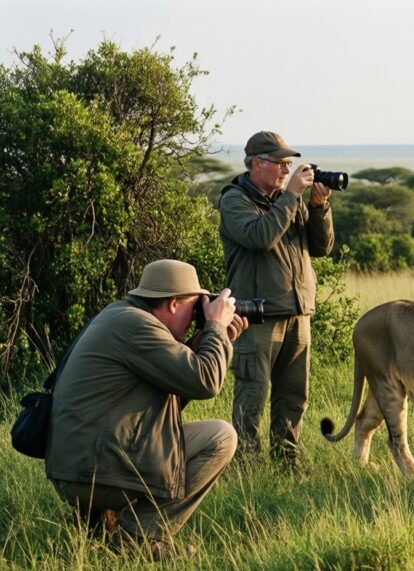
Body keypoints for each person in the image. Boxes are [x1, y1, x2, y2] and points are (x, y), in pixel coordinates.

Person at [45, 259, 247, 561]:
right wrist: (216, 326)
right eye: (195, 310)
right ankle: (138, 537)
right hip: (92, 473)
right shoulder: (138, 327)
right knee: (221, 437)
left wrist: (212, 341)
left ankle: (105, 527)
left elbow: (172, 395)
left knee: (174, 438)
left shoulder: (122, 317)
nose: (197, 318)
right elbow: (206, 381)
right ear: (175, 304)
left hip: (80, 465)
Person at [219, 131, 335, 466]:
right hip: (257, 316)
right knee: (252, 396)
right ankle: (246, 469)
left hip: (297, 312)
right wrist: (292, 197)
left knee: (294, 397)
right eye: (280, 163)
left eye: (289, 164)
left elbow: (321, 248)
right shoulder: (235, 200)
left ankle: (288, 463)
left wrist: (318, 206)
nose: (287, 170)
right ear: (257, 164)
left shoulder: (289, 200)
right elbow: (259, 237)